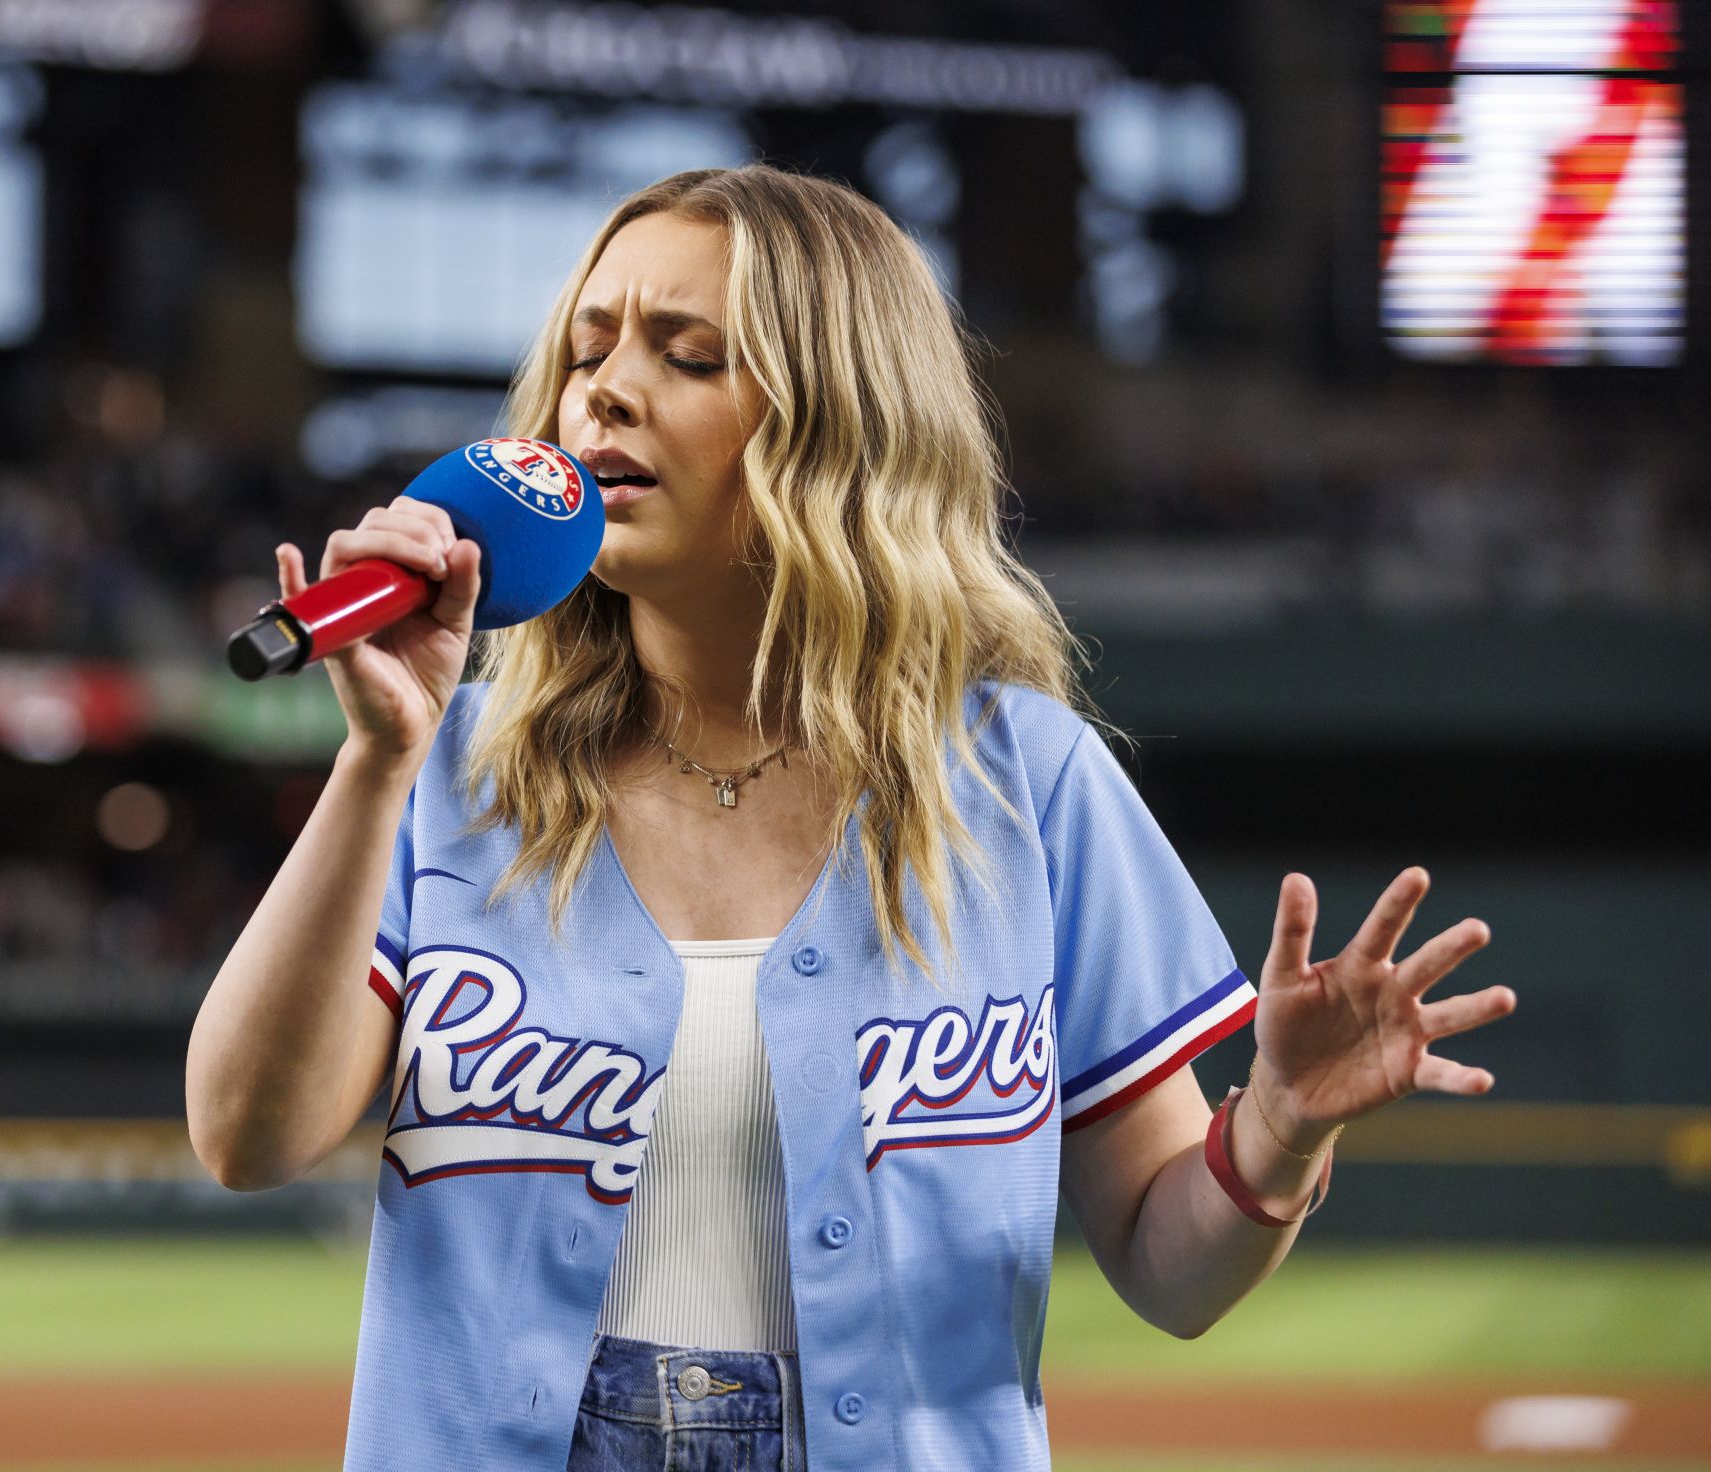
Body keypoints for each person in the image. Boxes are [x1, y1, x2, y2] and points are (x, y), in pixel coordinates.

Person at [184, 164, 1516, 1472]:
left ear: (843, 425)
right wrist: (376, 762)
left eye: (688, 355)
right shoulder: (449, 772)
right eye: (589, 350)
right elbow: (247, 1137)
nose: (605, 389)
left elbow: (1173, 1275)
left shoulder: (1024, 783)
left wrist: (1278, 1130)